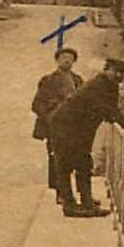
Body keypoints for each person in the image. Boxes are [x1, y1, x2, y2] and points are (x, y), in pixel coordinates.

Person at [46, 57, 124, 218]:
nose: (119, 76)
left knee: (81, 163)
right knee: (70, 164)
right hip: (65, 126)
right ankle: (71, 206)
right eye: (116, 71)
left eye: (123, 73)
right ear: (107, 70)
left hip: (76, 128)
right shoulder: (98, 85)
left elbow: (112, 111)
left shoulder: (109, 85)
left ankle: (85, 201)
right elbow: (108, 111)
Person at [31, 46, 83, 206]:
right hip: (55, 127)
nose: (66, 60)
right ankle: (60, 193)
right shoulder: (48, 80)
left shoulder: (78, 80)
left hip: (73, 126)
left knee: (76, 159)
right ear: (57, 60)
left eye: (70, 58)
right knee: (56, 160)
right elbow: (37, 104)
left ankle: (78, 193)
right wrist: (49, 117)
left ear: (74, 62)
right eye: (63, 58)